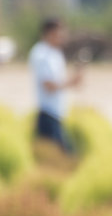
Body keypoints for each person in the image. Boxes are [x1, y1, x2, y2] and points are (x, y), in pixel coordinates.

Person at [30, 18, 83, 155]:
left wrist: (74, 81)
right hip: (48, 113)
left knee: (65, 155)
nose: (63, 36)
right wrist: (71, 82)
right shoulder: (41, 53)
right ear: (50, 33)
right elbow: (48, 85)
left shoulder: (55, 53)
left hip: (58, 113)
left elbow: (59, 82)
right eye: (60, 32)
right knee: (60, 157)